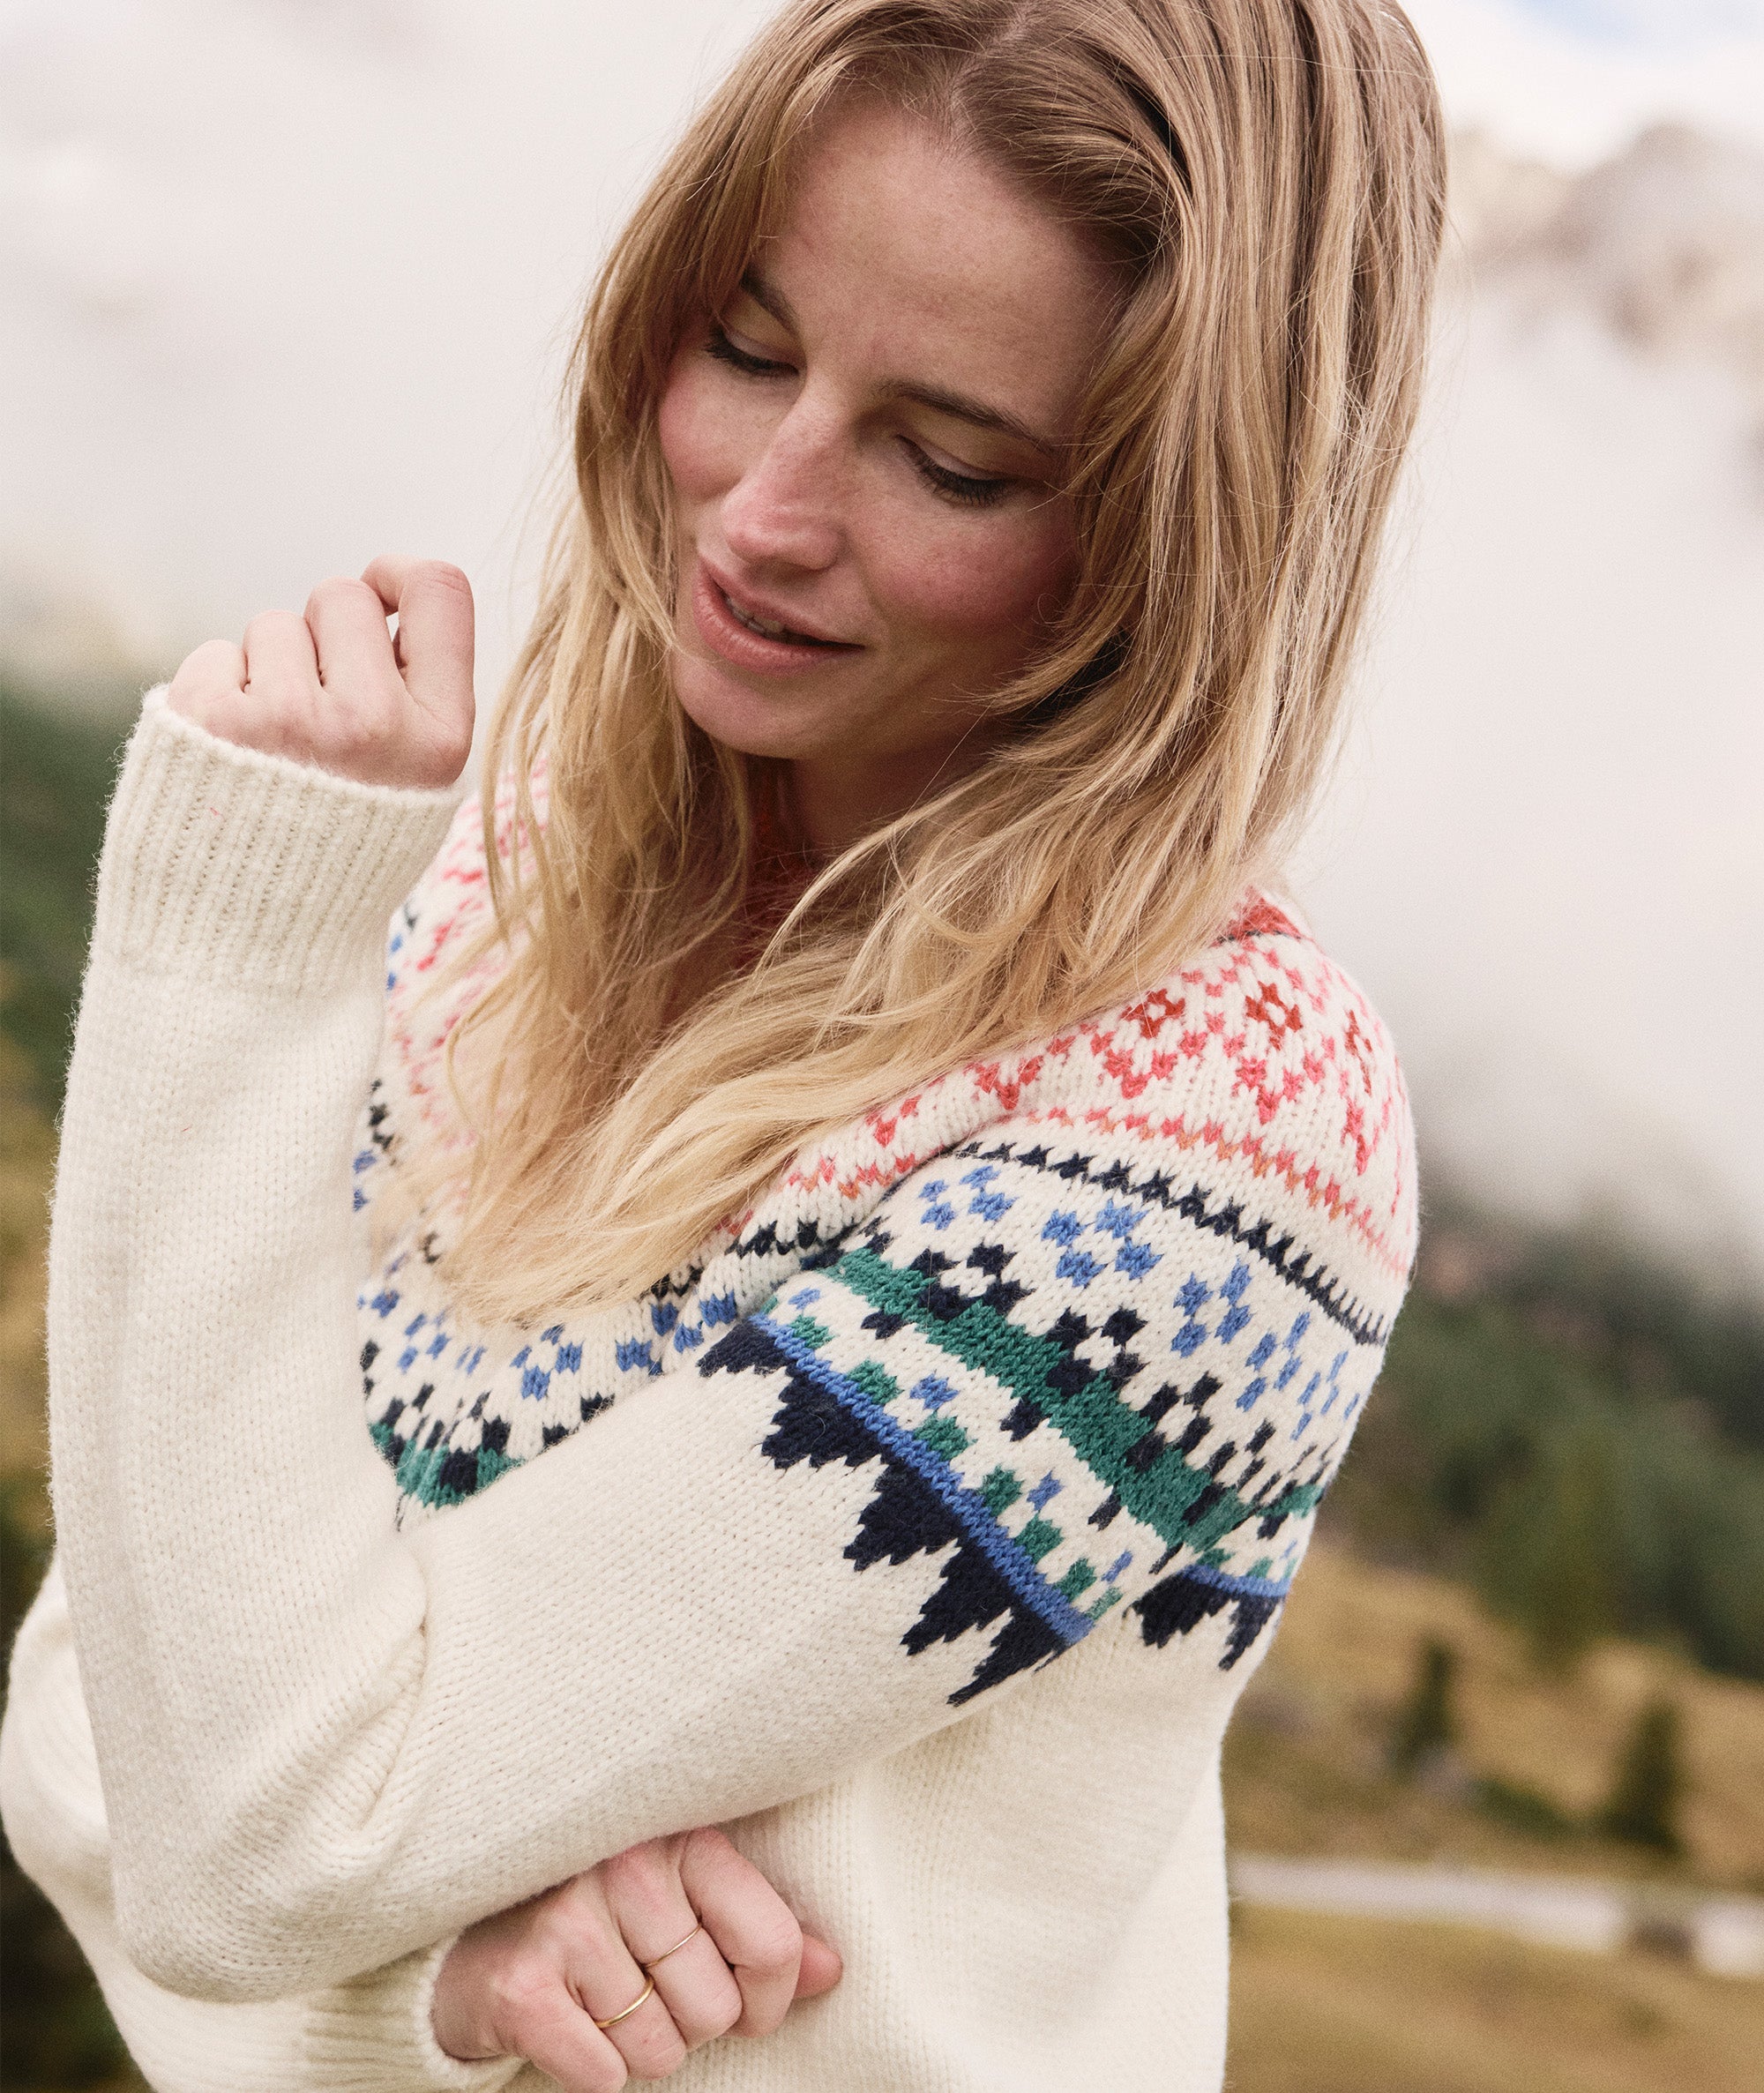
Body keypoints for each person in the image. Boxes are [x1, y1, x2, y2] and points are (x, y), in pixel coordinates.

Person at [0, 0, 1443, 2086]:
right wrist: (426, 1971)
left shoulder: (1213, 1129)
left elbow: (233, 1852)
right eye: (749, 349)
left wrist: (220, 957)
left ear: (1175, 533)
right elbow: (91, 1727)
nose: (761, 511)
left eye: (950, 460)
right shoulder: (498, 894)